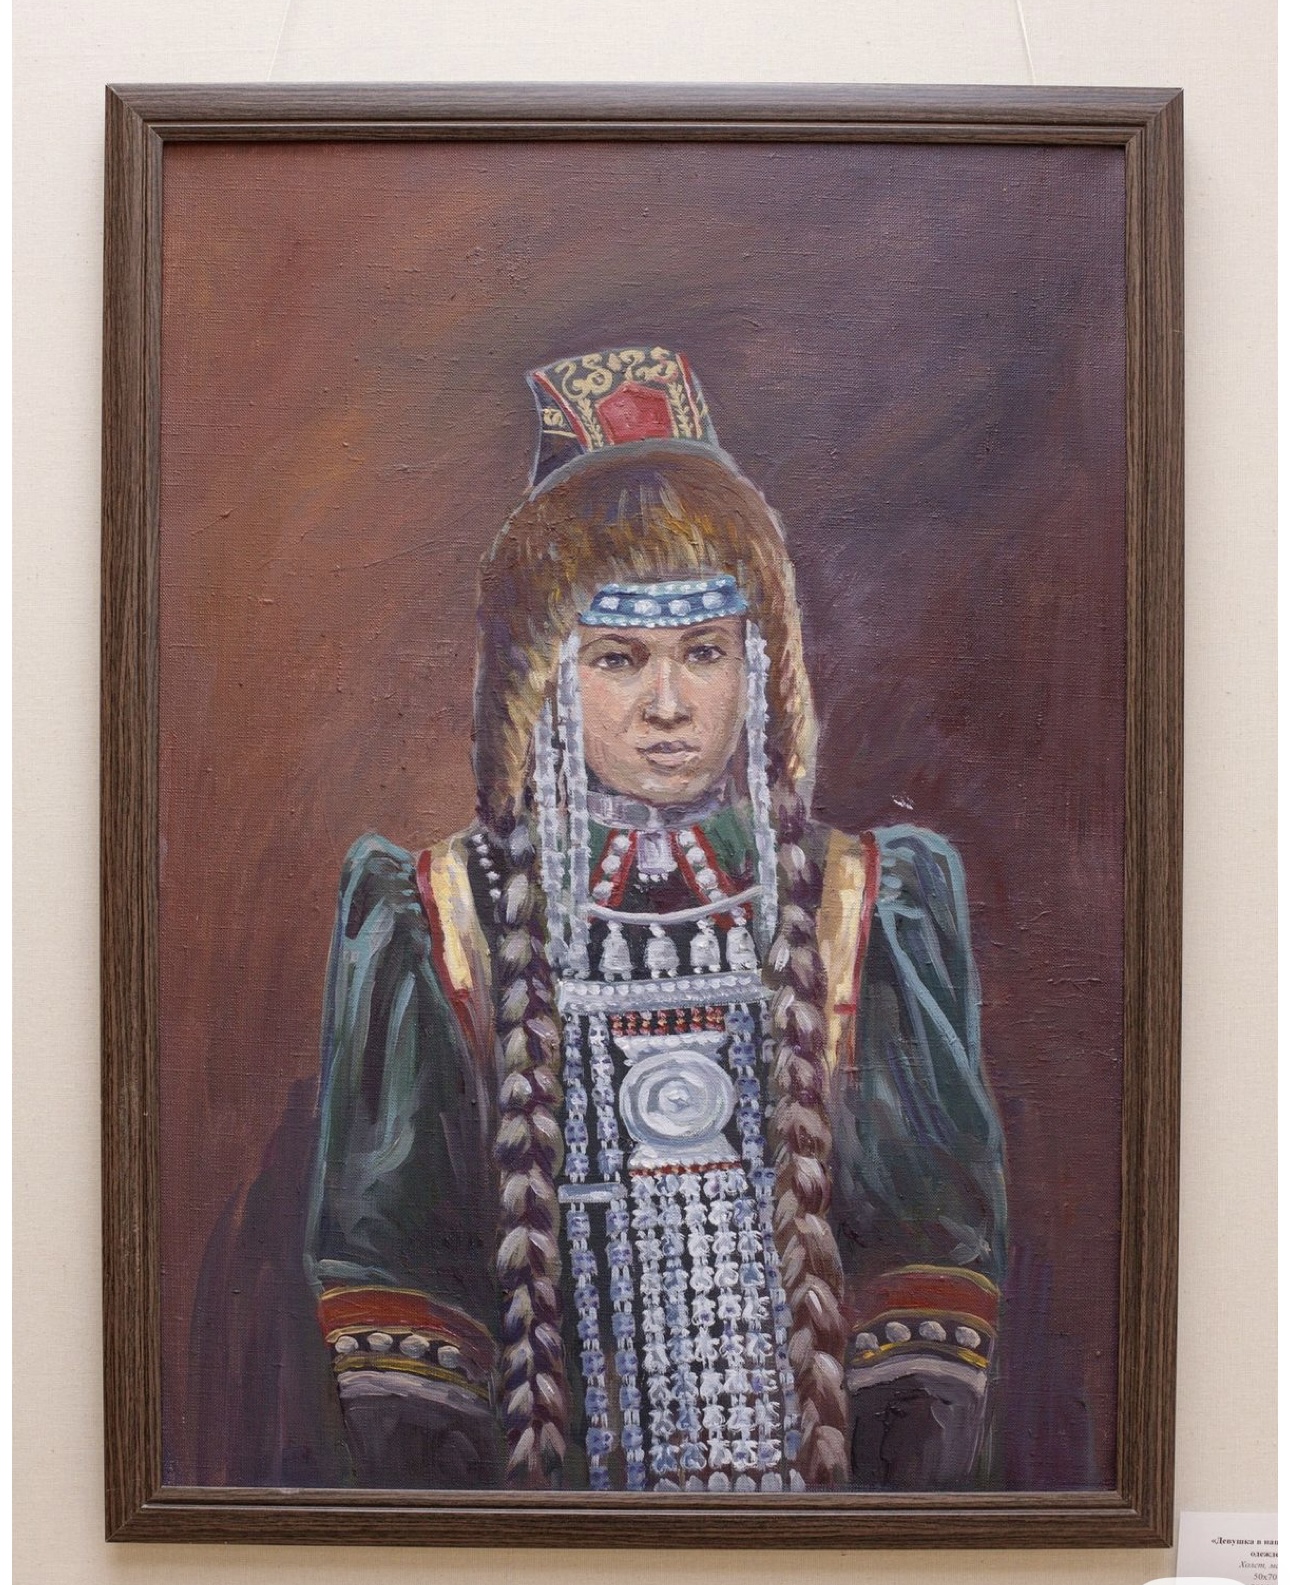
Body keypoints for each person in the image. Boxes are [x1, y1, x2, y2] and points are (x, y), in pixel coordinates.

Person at [304, 344, 1008, 1493]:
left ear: (760, 667)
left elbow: (928, 1265)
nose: (669, 704)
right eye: (620, 657)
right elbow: (399, 1282)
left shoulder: (868, 905)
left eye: (704, 652)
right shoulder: (435, 921)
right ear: (541, 676)